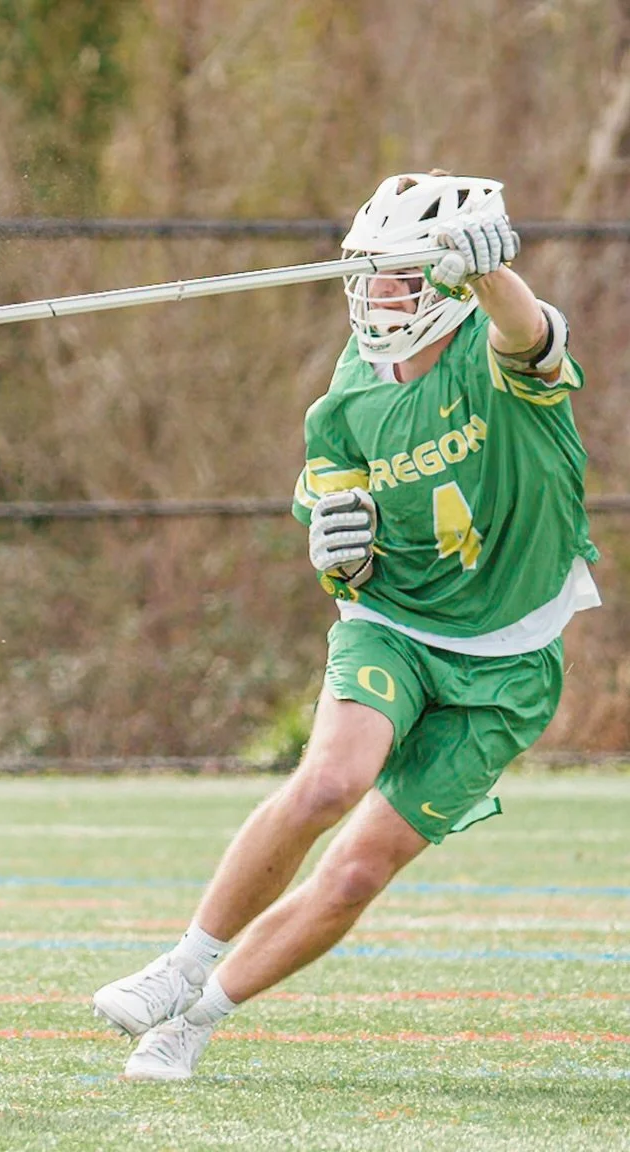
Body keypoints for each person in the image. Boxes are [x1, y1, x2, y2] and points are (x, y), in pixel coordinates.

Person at [92, 171, 599, 1081]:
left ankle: (196, 1023)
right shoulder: (350, 385)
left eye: (402, 275)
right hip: (394, 621)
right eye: (368, 272)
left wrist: (495, 273)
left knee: (361, 871)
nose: (377, 294)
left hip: (509, 663)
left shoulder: (497, 351)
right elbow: (331, 499)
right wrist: (336, 543)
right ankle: (181, 964)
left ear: (447, 282)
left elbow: (535, 338)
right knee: (329, 782)